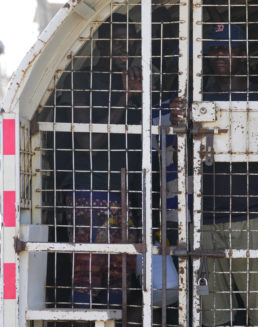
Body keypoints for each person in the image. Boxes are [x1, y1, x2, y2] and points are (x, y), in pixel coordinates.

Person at [198, 23, 258, 326]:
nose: (222, 55)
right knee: (214, 317)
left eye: (229, 48)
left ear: (244, 54)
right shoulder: (198, 96)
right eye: (216, 49)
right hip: (207, 218)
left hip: (254, 215)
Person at [58, 13, 142, 307]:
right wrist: (125, 98)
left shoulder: (135, 80)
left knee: (120, 285)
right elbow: (88, 143)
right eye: (118, 42)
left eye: (132, 43)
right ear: (100, 44)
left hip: (126, 194)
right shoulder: (80, 79)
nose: (125, 50)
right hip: (89, 193)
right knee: (87, 282)